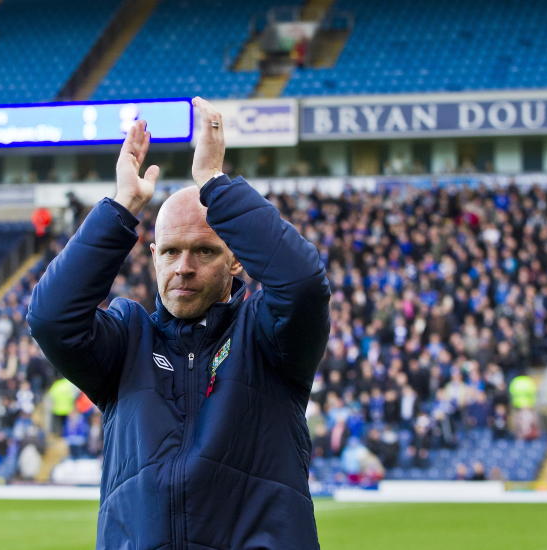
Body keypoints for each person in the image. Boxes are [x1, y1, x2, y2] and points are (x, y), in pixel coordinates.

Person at [27, 98, 330, 549]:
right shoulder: (127, 341)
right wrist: (121, 206)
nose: (183, 267)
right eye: (170, 252)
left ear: (235, 262)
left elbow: (303, 283)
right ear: (153, 258)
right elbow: (51, 317)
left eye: (204, 251)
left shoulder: (267, 334)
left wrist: (214, 183)